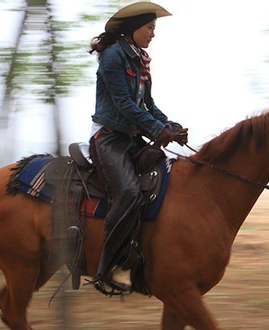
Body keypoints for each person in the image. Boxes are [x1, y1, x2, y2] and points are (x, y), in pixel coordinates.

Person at [88, 0, 188, 292]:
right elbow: (124, 104)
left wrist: (171, 126)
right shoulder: (114, 57)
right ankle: (105, 268)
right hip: (108, 138)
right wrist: (157, 129)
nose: (153, 34)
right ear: (134, 29)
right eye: (150, 27)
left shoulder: (140, 59)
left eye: (153, 28)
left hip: (131, 138)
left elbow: (149, 105)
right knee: (130, 192)